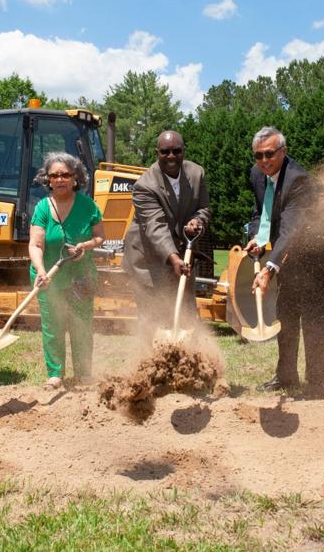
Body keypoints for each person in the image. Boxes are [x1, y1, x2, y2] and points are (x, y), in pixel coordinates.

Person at [246, 126, 324, 399]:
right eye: (258, 155)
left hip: (315, 255)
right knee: (286, 316)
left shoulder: (298, 180)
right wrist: (257, 237)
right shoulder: (256, 175)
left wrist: (269, 268)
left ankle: (318, 383)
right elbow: (261, 212)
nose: (264, 161)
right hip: (289, 257)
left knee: (313, 320)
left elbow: (291, 229)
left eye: (269, 154)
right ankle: (286, 377)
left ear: (283, 152)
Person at [122, 131, 211, 342]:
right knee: (152, 319)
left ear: (183, 151)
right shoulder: (144, 185)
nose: (171, 156)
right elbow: (156, 227)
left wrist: (197, 221)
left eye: (176, 151)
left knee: (186, 314)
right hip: (147, 260)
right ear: (157, 153)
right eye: (165, 152)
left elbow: (204, 208)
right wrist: (173, 258)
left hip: (182, 256)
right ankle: (149, 368)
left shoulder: (196, 173)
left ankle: (190, 365)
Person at [29, 152, 105, 389]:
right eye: (54, 175)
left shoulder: (88, 205)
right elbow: (35, 244)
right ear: (47, 179)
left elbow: (101, 237)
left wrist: (86, 246)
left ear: (75, 178)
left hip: (81, 276)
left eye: (65, 175)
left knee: (81, 325)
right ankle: (55, 374)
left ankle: (84, 373)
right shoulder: (42, 207)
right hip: (49, 278)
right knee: (53, 325)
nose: (60, 179)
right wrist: (41, 270)